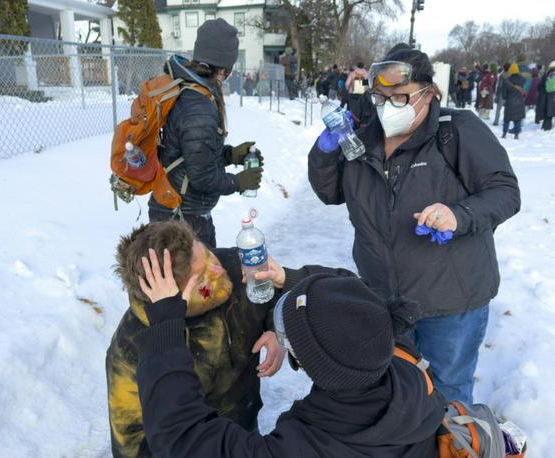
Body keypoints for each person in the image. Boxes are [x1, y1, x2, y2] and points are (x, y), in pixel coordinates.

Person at [308, 49, 521, 403]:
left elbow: (505, 192)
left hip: (451, 304)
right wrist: (324, 152)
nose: (387, 107)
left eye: (400, 97)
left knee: (447, 395)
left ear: (428, 93)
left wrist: (458, 214)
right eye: (381, 97)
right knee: (397, 395)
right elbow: (330, 193)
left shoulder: (457, 131)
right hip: (385, 303)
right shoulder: (362, 140)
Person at [132, 251, 448, 457]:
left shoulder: (310, 447)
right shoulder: (400, 356)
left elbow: (186, 440)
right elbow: (354, 294)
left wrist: (165, 328)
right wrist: (288, 278)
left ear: (316, 366)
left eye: (292, 340)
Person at [106, 221, 285, 457]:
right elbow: (131, 443)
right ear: (168, 295)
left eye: (207, 254)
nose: (218, 270)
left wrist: (277, 330)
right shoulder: (131, 350)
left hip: (245, 426)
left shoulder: (235, 265)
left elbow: (276, 294)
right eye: (202, 278)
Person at [147, 18, 263, 248]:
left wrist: (230, 155)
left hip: (183, 215)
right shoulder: (198, 106)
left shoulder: (192, 90)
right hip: (179, 222)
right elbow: (201, 177)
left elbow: (194, 154)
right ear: (225, 67)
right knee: (202, 274)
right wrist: (239, 182)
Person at [501, 63, 526, 139]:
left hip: (509, 103)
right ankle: (516, 135)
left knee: (507, 119)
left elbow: (504, 95)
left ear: (510, 71)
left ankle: (504, 134)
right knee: (517, 119)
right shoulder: (523, 80)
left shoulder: (507, 81)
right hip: (520, 102)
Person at [536, 61, 555, 131]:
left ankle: (545, 126)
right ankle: (547, 127)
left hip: (545, 97)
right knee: (551, 112)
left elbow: (539, 87)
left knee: (547, 112)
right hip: (553, 96)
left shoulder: (546, 75)